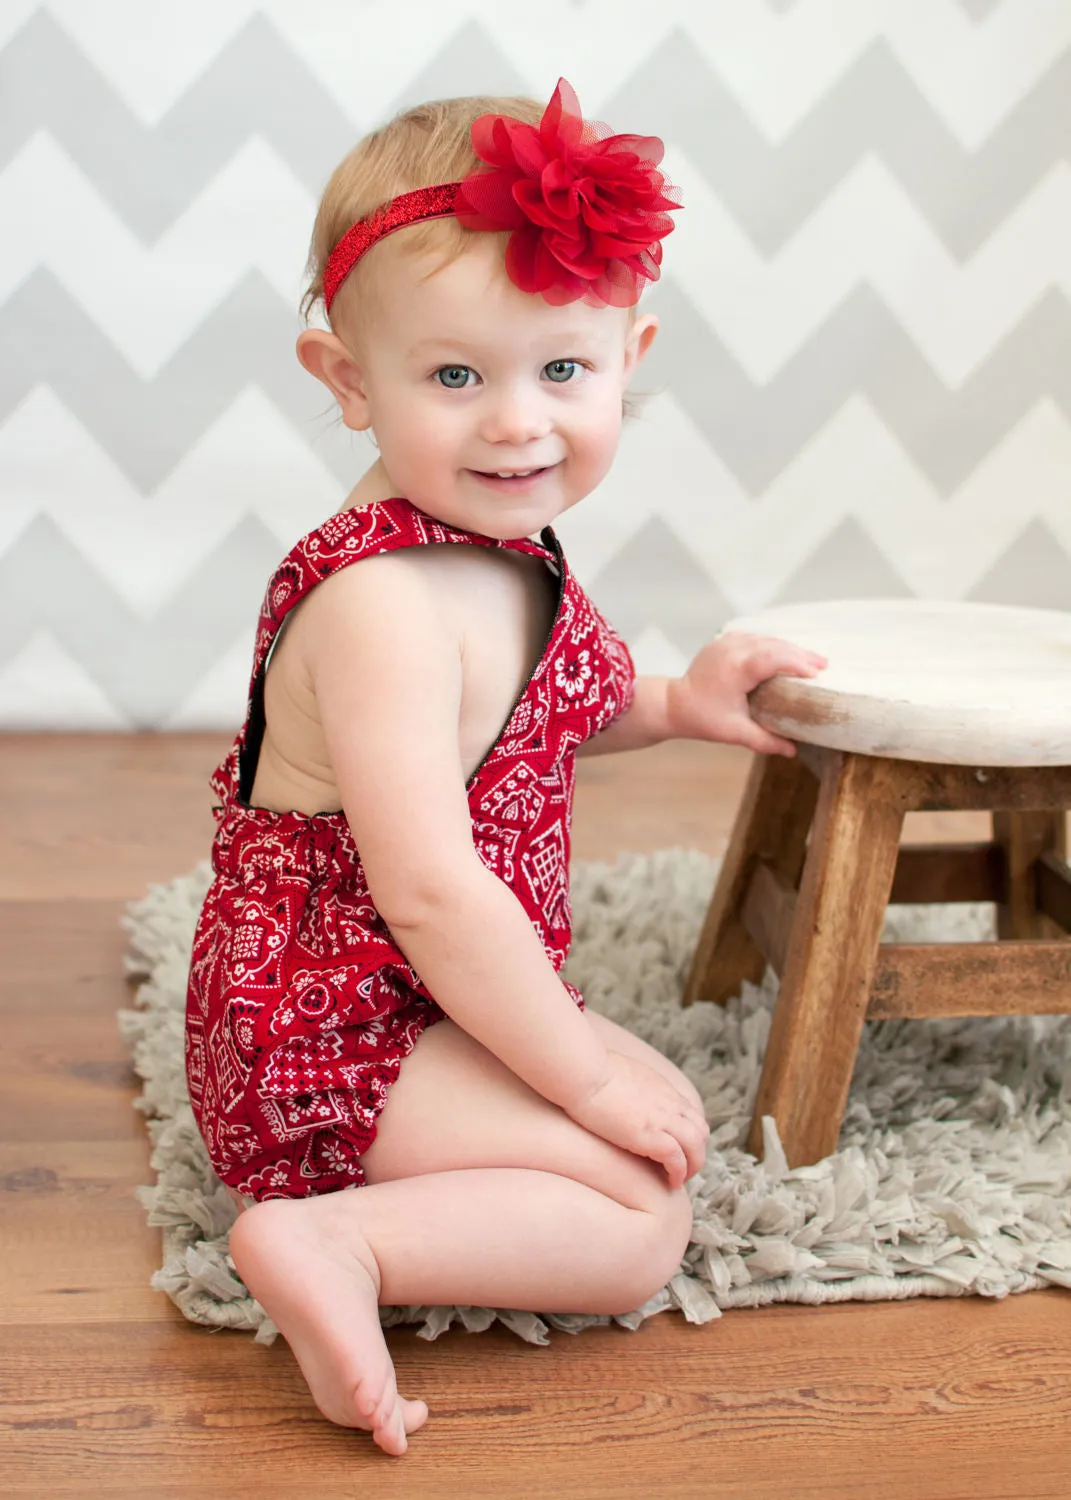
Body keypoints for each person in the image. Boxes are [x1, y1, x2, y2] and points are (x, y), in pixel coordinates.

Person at [184, 77, 827, 1458]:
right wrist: (576, 1080)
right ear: (348, 381)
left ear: (626, 354)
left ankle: (431, 1161)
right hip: (321, 1033)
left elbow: (567, 705)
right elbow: (426, 890)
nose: (517, 424)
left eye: (562, 372)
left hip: (423, 994)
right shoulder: (385, 607)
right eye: (456, 376)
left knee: (662, 1111)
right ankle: (330, 1239)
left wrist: (681, 699)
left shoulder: (499, 533)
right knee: (633, 1215)